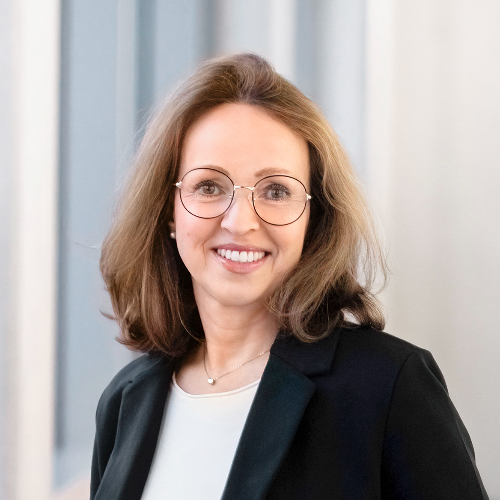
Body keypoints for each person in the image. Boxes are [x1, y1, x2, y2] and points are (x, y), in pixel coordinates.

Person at [90, 53, 488, 500]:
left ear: (312, 218)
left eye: (276, 191)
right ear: (169, 210)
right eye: (209, 186)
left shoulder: (388, 386)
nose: (240, 222)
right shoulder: (124, 402)